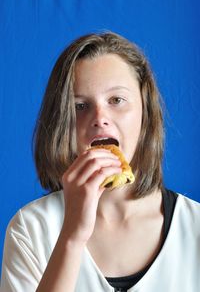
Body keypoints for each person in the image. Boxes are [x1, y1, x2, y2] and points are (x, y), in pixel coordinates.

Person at [1, 31, 200, 292]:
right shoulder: (30, 230)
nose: (100, 117)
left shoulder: (195, 226)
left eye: (117, 100)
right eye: (80, 106)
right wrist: (72, 236)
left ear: (146, 112)